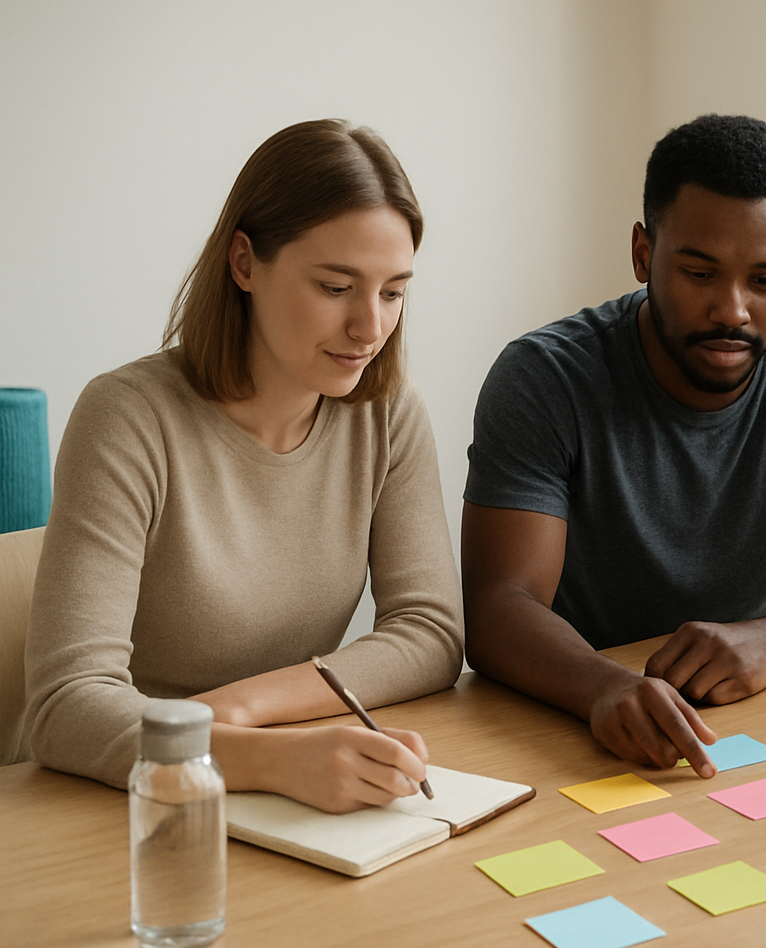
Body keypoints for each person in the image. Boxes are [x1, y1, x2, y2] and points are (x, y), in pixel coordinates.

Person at [462, 114, 766, 777]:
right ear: (644, 253)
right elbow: (499, 609)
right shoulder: (544, 377)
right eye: (700, 273)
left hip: (753, 718)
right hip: (574, 718)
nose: (733, 310)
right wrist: (602, 685)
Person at [25, 120, 464, 812]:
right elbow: (64, 707)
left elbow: (431, 634)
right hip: (132, 805)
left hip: (283, 777)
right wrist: (266, 756)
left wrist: (244, 707)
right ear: (243, 263)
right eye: (335, 286)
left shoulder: (387, 415)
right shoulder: (127, 417)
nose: (370, 328)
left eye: (392, 291)